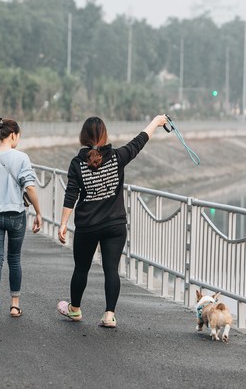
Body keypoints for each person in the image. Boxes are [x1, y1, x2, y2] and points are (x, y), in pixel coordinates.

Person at [57, 115, 168, 327]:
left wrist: (63, 223)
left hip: (87, 226)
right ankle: (109, 315)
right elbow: (139, 141)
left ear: (83, 136)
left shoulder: (77, 163)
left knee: (81, 269)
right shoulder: (117, 157)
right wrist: (156, 122)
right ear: (104, 135)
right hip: (114, 225)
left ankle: (75, 310)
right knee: (111, 269)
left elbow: (71, 195)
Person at [0, 117, 43, 321]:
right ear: (13, 135)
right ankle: (15, 305)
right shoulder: (21, 157)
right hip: (16, 215)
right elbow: (29, 186)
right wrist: (39, 212)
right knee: (14, 259)